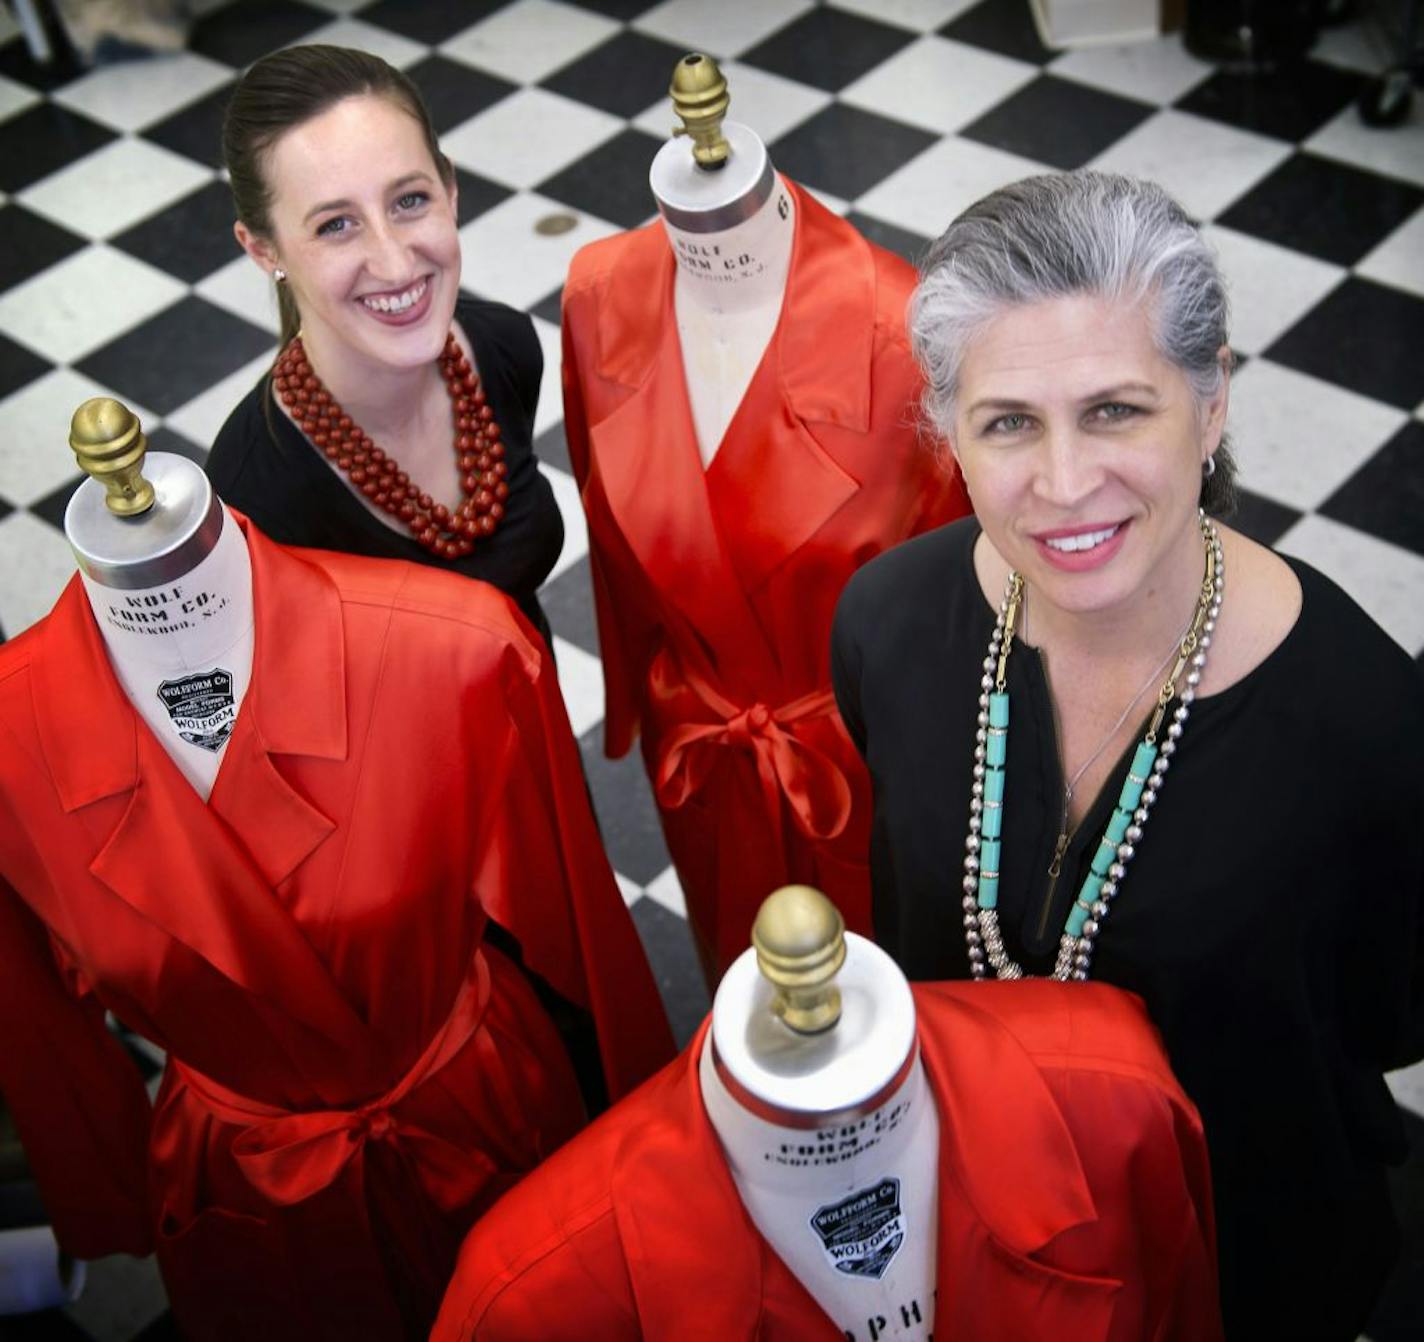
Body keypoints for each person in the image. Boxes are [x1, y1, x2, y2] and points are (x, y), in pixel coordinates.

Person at [831, 171, 1424, 1341]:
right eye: (1008, 422)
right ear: (948, 429)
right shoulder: (886, 623)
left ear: (1209, 408)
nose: (1062, 485)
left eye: (1115, 410)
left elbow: (1381, 1021)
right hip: (974, 1228)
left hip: (1252, 1255)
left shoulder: (1364, 721)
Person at [207, 45, 561, 643]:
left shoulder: (505, 347)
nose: (395, 264)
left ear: (450, 190)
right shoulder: (250, 495)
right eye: (335, 225)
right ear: (264, 250)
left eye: (409, 200)